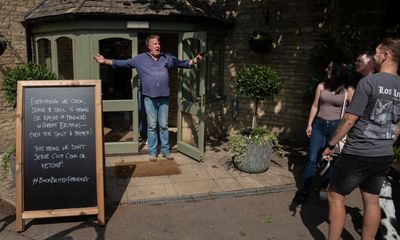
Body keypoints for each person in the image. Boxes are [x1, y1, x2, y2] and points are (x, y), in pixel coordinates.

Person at [322, 37, 400, 240]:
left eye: (376, 52)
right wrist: (387, 143)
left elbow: (349, 119)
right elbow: (398, 125)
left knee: (335, 194)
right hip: (383, 154)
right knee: (372, 201)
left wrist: (330, 144)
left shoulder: (369, 82)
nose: (374, 56)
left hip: (358, 152)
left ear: (386, 55)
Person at [94, 34, 204, 162]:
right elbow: (122, 63)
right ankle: (152, 152)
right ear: (148, 46)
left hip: (164, 97)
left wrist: (196, 60)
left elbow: (183, 63)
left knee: (163, 125)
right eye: (155, 44)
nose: (158, 46)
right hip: (149, 98)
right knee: (152, 126)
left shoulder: (167, 58)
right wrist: (104, 61)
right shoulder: (140, 59)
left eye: (158, 43)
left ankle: (165, 150)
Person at [294, 61, 354, 204]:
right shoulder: (321, 86)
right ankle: (305, 189)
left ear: (337, 72)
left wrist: (346, 130)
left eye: (329, 69)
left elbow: (353, 113)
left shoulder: (348, 90)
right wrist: (310, 124)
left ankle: (324, 187)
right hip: (319, 126)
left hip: (335, 127)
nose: (326, 69)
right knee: (312, 159)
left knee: (329, 160)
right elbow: (315, 105)